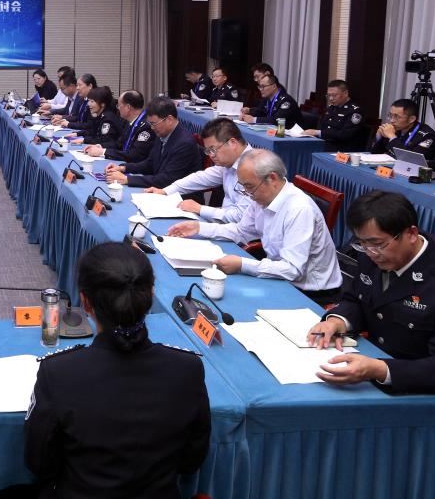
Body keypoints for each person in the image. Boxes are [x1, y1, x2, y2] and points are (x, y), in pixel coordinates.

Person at [24, 241, 210, 498]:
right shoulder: (188, 368)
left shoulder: (58, 373)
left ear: (84, 302)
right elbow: (191, 461)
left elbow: (39, 462)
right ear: (151, 294)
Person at [307, 191, 435, 406]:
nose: (370, 253)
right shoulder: (374, 255)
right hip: (371, 365)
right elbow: (357, 299)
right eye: (362, 244)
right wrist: (338, 321)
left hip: (423, 392)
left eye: (378, 244)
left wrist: (381, 369)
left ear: (411, 234)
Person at [167, 149, 343, 304]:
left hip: (310, 292)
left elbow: (292, 270)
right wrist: (199, 228)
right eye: (243, 186)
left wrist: (242, 264)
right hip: (279, 276)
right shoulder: (261, 197)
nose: (247, 193)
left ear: (272, 178)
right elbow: (241, 231)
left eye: (249, 186)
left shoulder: (299, 209)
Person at [144, 118, 253, 223]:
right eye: (208, 151)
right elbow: (201, 178)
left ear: (233, 143)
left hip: (239, 232)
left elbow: (242, 218)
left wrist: (200, 209)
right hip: (225, 225)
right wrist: (165, 191)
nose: (211, 155)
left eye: (213, 149)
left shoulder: (254, 168)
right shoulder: (229, 162)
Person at [106, 97, 203, 189]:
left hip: (180, 197)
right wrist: (123, 168)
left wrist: (127, 179)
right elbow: (150, 163)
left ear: (169, 120)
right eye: (150, 124)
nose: (152, 128)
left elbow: (167, 180)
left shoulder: (184, 143)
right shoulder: (162, 133)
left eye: (153, 124)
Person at [82, 90, 154, 163]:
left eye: (119, 105)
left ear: (128, 107)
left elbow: (134, 155)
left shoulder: (147, 126)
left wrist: (103, 152)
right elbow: (118, 144)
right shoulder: (130, 122)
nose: (118, 108)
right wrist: (99, 146)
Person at [369, 98, 435, 162]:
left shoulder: (428, 136)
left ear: (411, 119)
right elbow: (373, 152)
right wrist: (378, 136)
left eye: (397, 117)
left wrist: (392, 137)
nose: (391, 120)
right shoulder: (396, 129)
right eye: (390, 115)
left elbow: (411, 160)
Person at [302, 79, 367, 151]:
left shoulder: (355, 111)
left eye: (334, 95)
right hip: (325, 144)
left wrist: (318, 132)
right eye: (329, 95)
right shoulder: (331, 108)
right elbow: (321, 126)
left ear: (345, 93)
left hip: (341, 149)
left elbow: (345, 135)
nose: (331, 98)